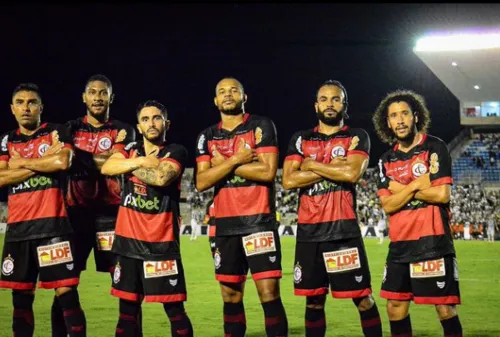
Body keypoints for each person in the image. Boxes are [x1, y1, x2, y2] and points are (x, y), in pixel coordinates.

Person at [282, 80, 382, 337]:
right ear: (316, 105)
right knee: (313, 301)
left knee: (362, 299)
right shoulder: (300, 138)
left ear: (344, 105)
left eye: (335, 99)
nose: (329, 104)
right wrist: (330, 167)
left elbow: (351, 174)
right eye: (324, 99)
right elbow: (289, 180)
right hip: (309, 233)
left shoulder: (356, 136)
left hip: (342, 230)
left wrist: (311, 165)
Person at [195, 77, 288, 337]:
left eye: (234, 90)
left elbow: (268, 171)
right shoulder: (207, 136)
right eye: (222, 92)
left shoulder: (261, 125)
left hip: (258, 221)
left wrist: (222, 163)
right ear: (215, 101)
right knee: (230, 296)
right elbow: (202, 181)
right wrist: (237, 159)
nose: (228, 95)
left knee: (268, 293)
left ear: (244, 97)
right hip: (224, 225)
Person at [53, 74, 139, 337]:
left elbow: (116, 163)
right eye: (93, 92)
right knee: (64, 284)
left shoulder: (124, 130)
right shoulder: (70, 127)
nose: (98, 97)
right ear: (84, 97)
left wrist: (78, 157)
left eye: (103, 93)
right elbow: (65, 161)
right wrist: (105, 160)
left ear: (111, 98)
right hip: (74, 216)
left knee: (126, 283)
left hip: (111, 216)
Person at [372, 89, 462, 337]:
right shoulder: (385, 160)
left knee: (444, 308)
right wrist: (416, 184)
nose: (399, 120)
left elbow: (442, 195)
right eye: (393, 116)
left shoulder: (435, 147)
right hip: (400, 245)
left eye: (404, 114)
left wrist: (401, 189)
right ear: (387, 123)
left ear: (416, 117)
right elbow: (388, 206)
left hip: (433, 240)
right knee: (395, 307)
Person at [0, 83, 87, 336]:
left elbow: (62, 161)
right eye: (20, 102)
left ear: (41, 107)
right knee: (21, 298)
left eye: (31, 102)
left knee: (66, 294)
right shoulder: (7, 139)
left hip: (54, 228)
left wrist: (21, 164)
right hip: (18, 230)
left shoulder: (57, 131)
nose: (26, 107)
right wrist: (42, 163)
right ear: (12, 109)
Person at [101, 100, 193, 337]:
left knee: (175, 311)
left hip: (160, 244)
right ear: (139, 127)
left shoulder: (176, 151)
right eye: (145, 119)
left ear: (167, 123)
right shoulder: (132, 148)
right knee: (126, 314)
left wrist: (127, 166)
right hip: (127, 244)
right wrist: (140, 162)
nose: (151, 123)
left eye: (156, 118)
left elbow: (162, 178)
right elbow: (107, 167)